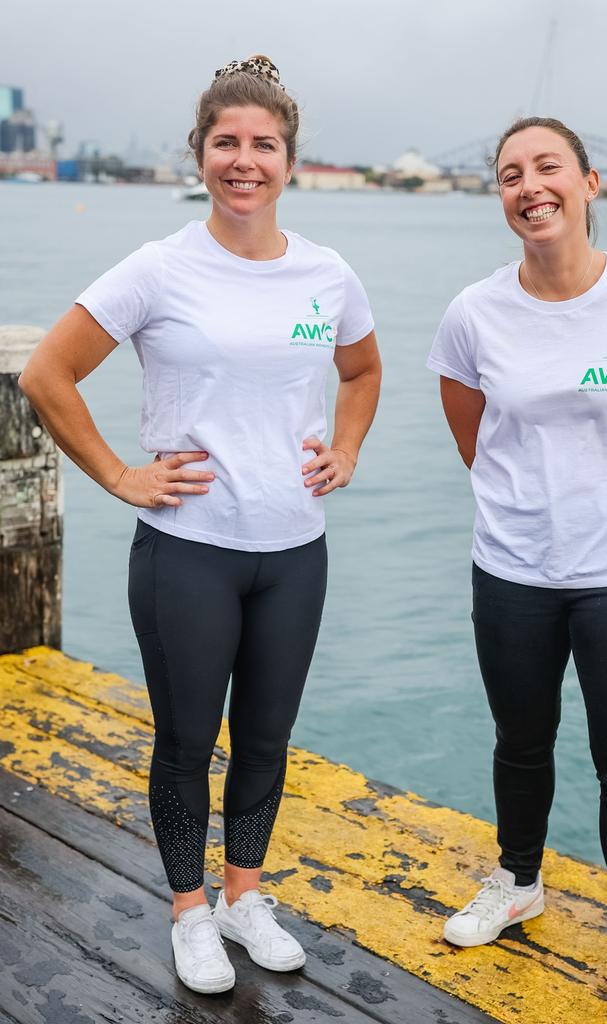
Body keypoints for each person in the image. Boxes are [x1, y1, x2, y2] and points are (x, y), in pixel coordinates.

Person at [19, 54, 381, 995]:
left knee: (266, 737)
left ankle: (242, 898)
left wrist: (344, 448)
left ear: (289, 161)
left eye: (264, 145)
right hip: (189, 550)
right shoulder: (160, 268)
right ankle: (187, 910)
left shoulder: (327, 274)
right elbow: (46, 375)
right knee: (186, 739)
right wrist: (118, 475)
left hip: (295, 549)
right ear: (201, 154)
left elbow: (363, 370)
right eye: (228, 142)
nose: (245, 160)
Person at [427, 116, 607, 1024]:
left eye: (547, 167)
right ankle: (519, 882)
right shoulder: (474, 312)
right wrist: (537, 525)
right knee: (521, 742)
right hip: (511, 571)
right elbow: (473, 438)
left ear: (592, 183)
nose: (530, 186)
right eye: (511, 174)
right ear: (503, 197)